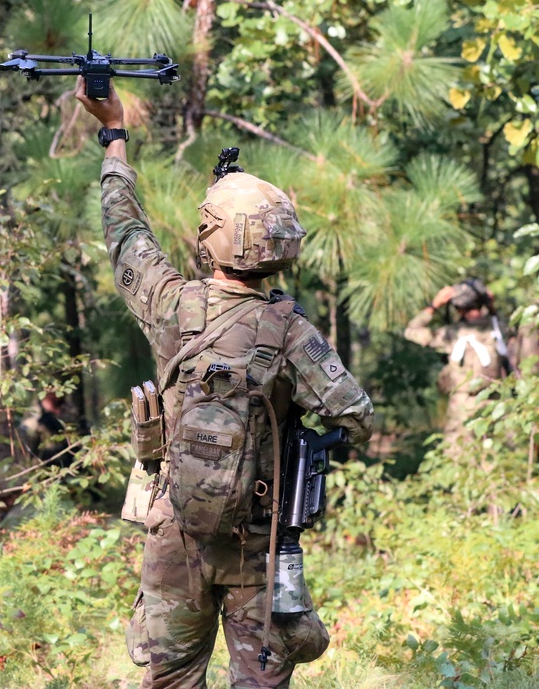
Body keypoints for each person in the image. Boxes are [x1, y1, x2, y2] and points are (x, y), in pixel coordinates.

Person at [75, 78, 375, 688]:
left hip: (173, 533)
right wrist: (297, 440)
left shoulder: (170, 303)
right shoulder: (291, 331)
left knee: (173, 679)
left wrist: (114, 138)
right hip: (257, 546)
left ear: (211, 238)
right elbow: (356, 414)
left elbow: (126, 236)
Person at [404, 280, 510, 453]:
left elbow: (412, 330)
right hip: (487, 402)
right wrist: (491, 306)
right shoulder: (495, 327)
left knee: (459, 455)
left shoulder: (452, 333)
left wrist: (434, 305)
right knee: (488, 456)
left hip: (467, 404)